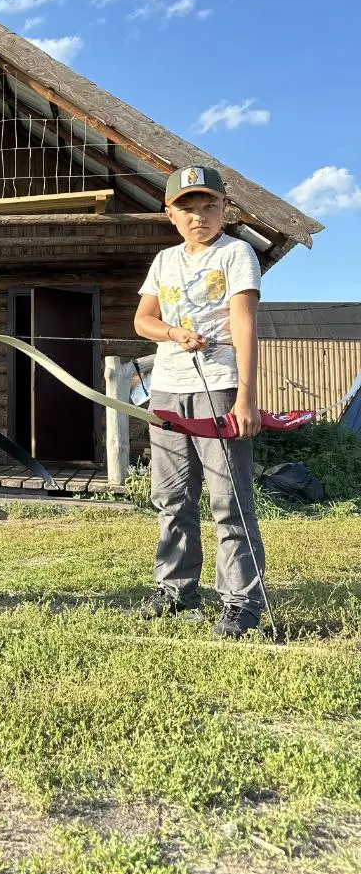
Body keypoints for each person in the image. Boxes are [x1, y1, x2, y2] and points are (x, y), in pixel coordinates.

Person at [134, 165, 265, 640]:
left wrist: (246, 397)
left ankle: (241, 602)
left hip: (221, 386)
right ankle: (176, 591)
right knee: (171, 497)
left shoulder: (237, 253)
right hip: (167, 388)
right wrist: (173, 332)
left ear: (225, 210)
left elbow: (245, 324)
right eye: (187, 209)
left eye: (209, 207)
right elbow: (143, 320)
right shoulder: (164, 261)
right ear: (170, 214)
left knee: (229, 499)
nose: (198, 217)